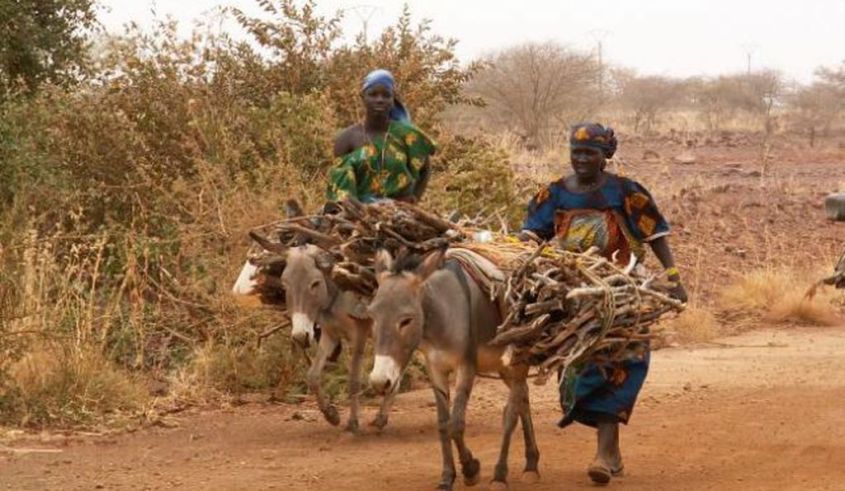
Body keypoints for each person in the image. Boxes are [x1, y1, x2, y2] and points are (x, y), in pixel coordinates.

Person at [519, 122, 688, 485]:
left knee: (618, 359)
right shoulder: (554, 194)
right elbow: (531, 234)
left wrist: (674, 279)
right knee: (576, 362)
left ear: (606, 156)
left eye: (590, 153)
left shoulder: (625, 191)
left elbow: (655, 235)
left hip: (620, 286)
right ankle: (610, 452)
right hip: (570, 290)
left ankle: (605, 451)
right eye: (576, 151)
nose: (581, 159)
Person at [327, 69, 436, 204]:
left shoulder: (407, 135)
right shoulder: (346, 139)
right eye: (373, 94)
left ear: (392, 99)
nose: (380, 100)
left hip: (401, 215)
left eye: (386, 95)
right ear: (363, 97)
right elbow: (339, 182)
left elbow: (425, 168)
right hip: (358, 216)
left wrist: (415, 199)